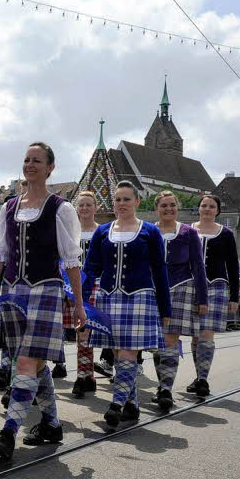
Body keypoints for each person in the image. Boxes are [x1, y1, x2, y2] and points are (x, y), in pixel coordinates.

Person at [0, 143, 84, 462]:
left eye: (37, 160)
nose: (30, 164)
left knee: (26, 361)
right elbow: (1, 254)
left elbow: (71, 260)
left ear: (50, 167)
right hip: (15, 289)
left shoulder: (61, 208)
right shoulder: (10, 206)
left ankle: (8, 432)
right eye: (26, 160)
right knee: (31, 362)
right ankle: (51, 424)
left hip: (46, 289)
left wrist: (79, 304)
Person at [83, 181, 171, 428]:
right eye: (117, 200)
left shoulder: (150, 231)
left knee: (128, 353)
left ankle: (116, 404)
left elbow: (160, 270)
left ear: (137, 202)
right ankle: (131, 405)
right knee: (116, 352)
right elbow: (91, 269)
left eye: (126, 199)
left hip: (140, 297)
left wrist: (166, 309)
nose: (121, 204)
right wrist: (81, 301)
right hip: (108, 296)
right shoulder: (102, 231)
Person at [150, 190, 207, 411]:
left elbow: (198, 266)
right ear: (157, 208)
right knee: (157, 342)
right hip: (152, 289)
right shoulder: (148, 231)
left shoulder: (189, 233)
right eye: (164, 205)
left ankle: (166, 389)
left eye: (172, 205)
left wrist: (202, 298)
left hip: (181, 286)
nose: (168, 209)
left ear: (178, 208)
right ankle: (161, 384)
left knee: (170, 338)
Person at [186, 194, 239, 397]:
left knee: (207, 333)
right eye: (204, 205)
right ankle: (199, 374)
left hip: (217, 285)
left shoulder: (225, 234)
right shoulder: (188, 231)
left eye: (211, 206)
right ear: (198, 209)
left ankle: (203, 379)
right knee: (195, 335)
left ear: (217, 210)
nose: (207, 209)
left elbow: (232, 266)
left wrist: (234, 296)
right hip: (192, 286)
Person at [70, 191, 100, 398]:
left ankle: (88, 374)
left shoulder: (103, 231)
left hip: (98, 285)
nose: (85, 208)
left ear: (95, 207)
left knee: (98, 332)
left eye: (89, 205)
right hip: (75, 286)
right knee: (82, 332)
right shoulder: (71, 232)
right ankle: (84, 375)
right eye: (81, 205)